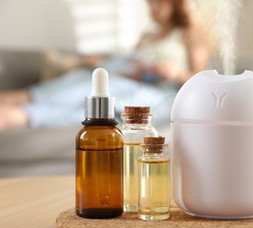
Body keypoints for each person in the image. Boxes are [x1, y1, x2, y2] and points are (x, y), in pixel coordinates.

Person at [0, 0, 210, 130]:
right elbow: (130, 66)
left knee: (91, 92)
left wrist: (176, 72)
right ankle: (15, 110)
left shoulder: (191, 33)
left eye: (160, 2)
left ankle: (17, 109)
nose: (153, 8)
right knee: (87, 86)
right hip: (129, 81)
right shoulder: (148, 35)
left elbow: (201, 81)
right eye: (149, 2)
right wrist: (102, 63)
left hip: (157, 95)